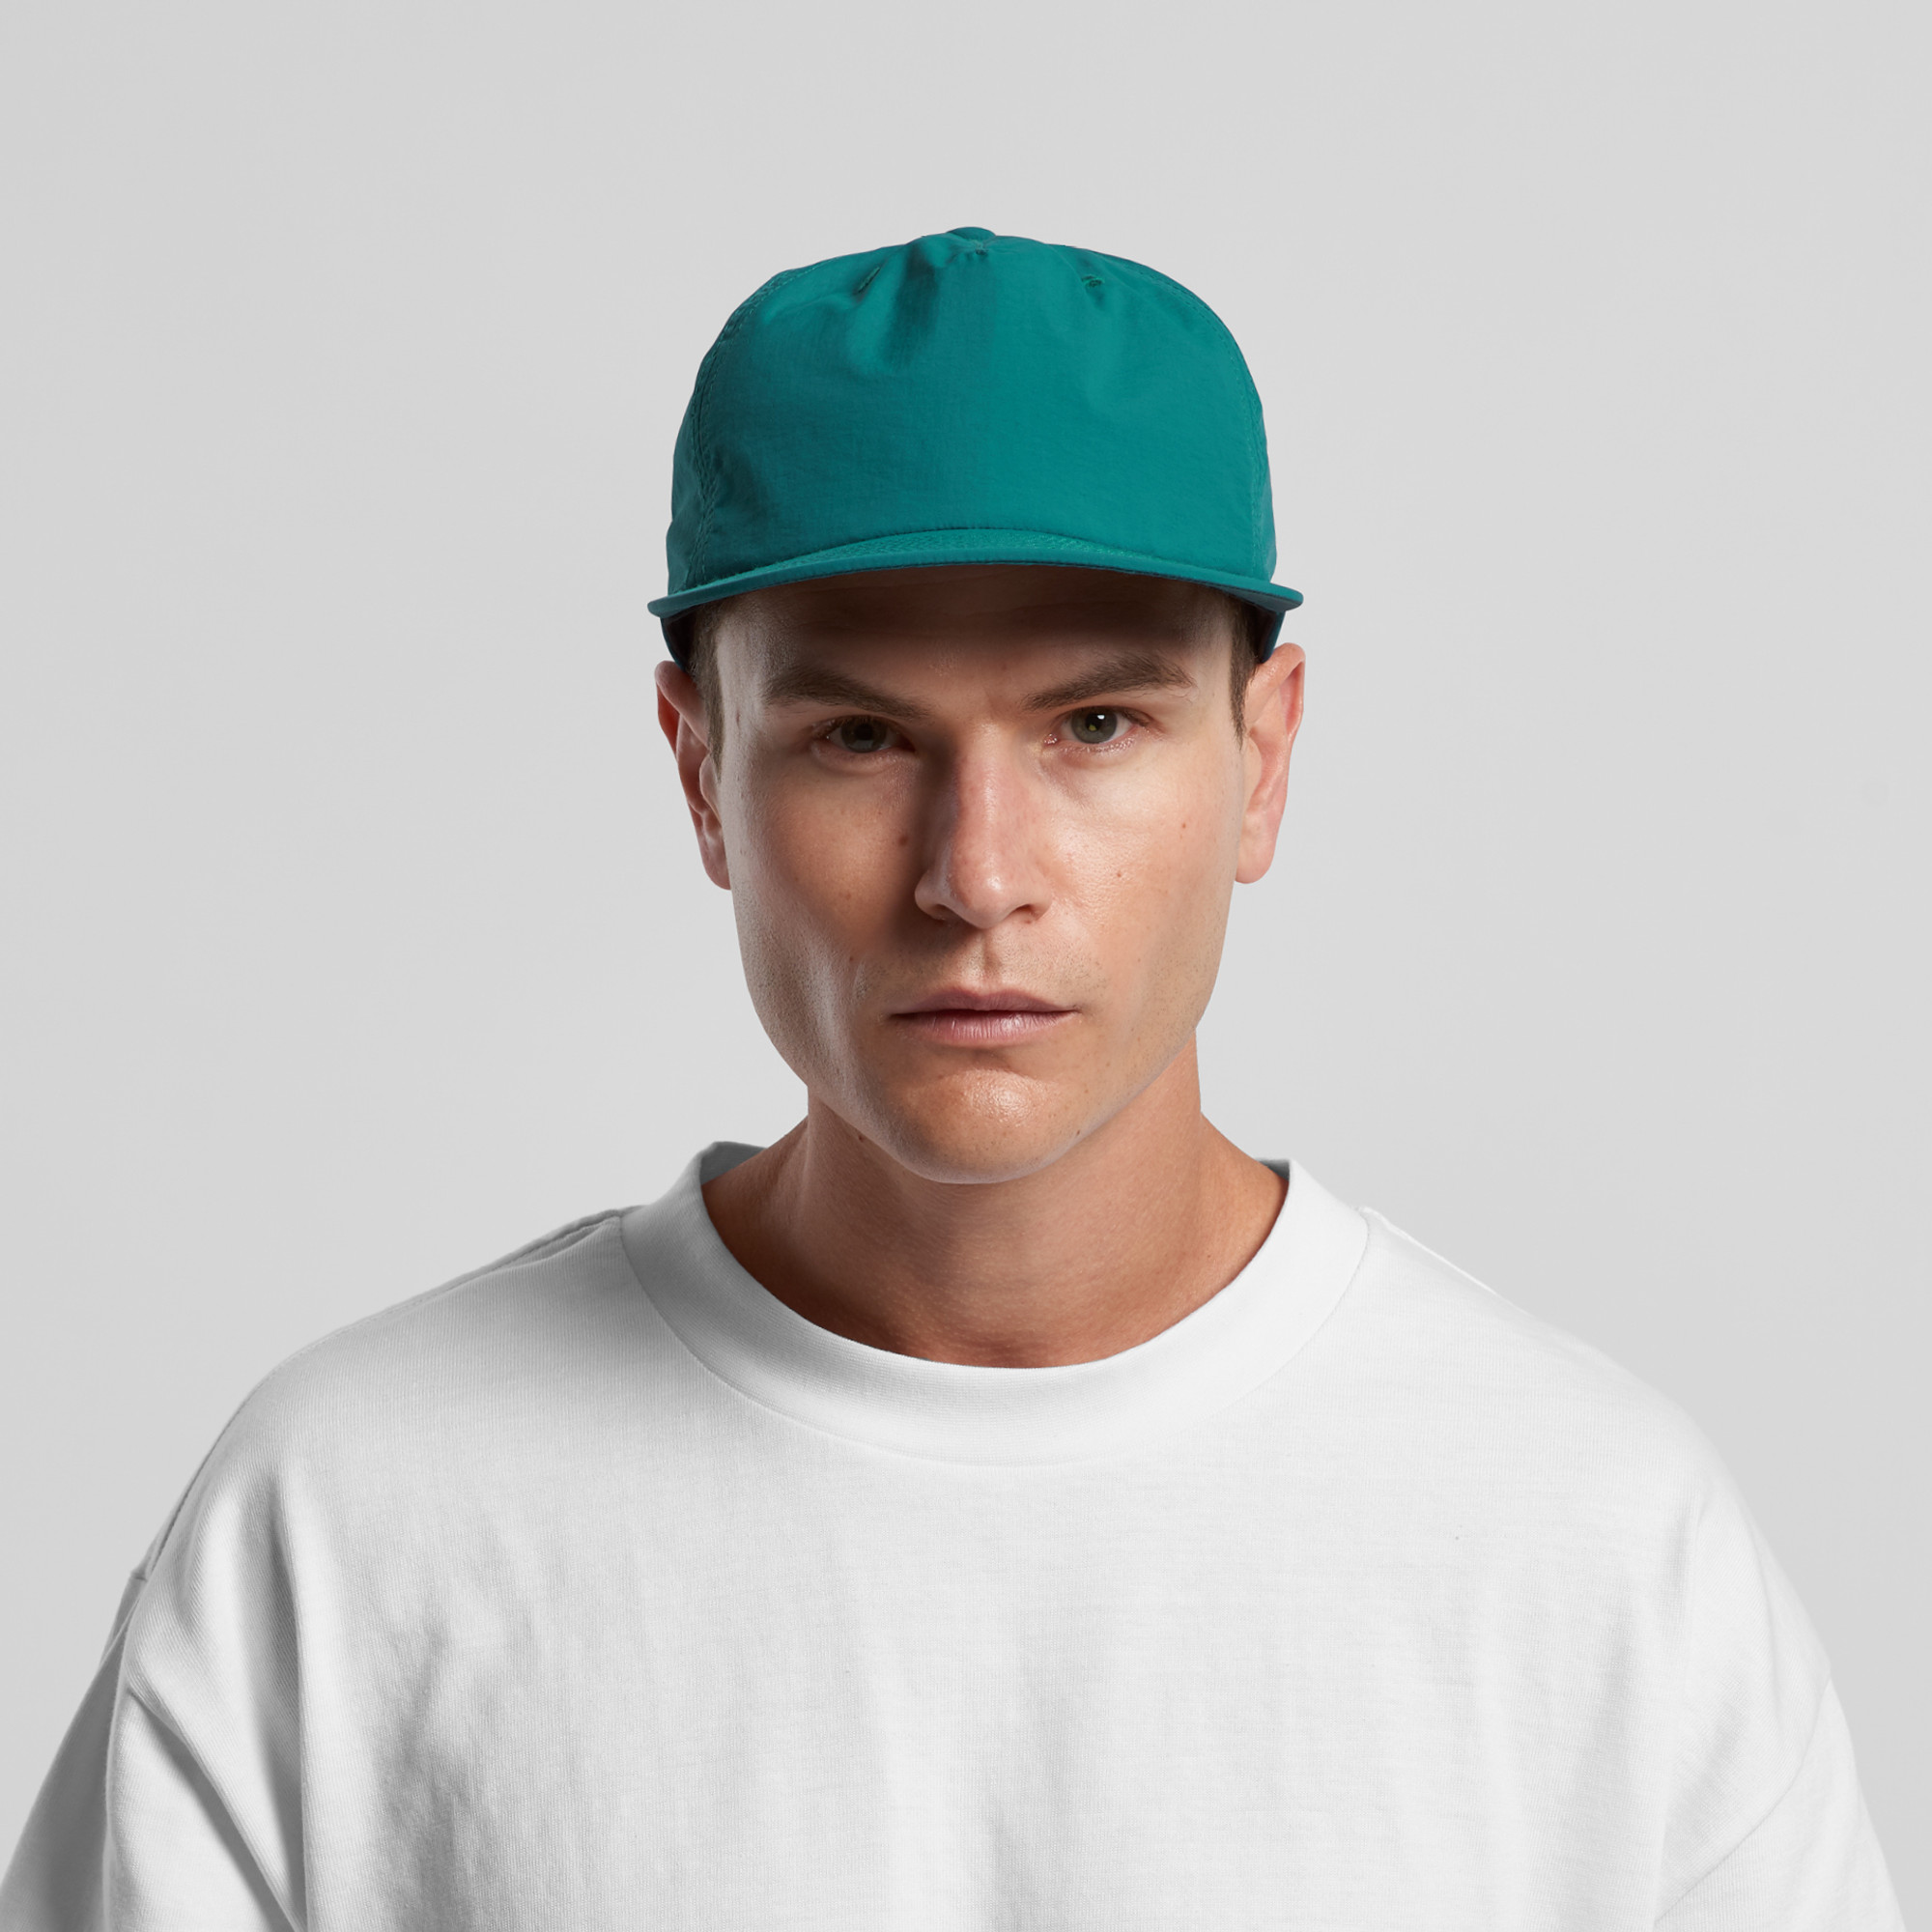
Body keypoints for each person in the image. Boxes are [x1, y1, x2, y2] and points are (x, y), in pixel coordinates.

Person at [0, 226, 1903, 1931]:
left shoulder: (1588, 1544)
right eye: (857, 737)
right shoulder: (351, 1523)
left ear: (1263, 757)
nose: (976, 874)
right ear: (699, 770)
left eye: (1096, 723)